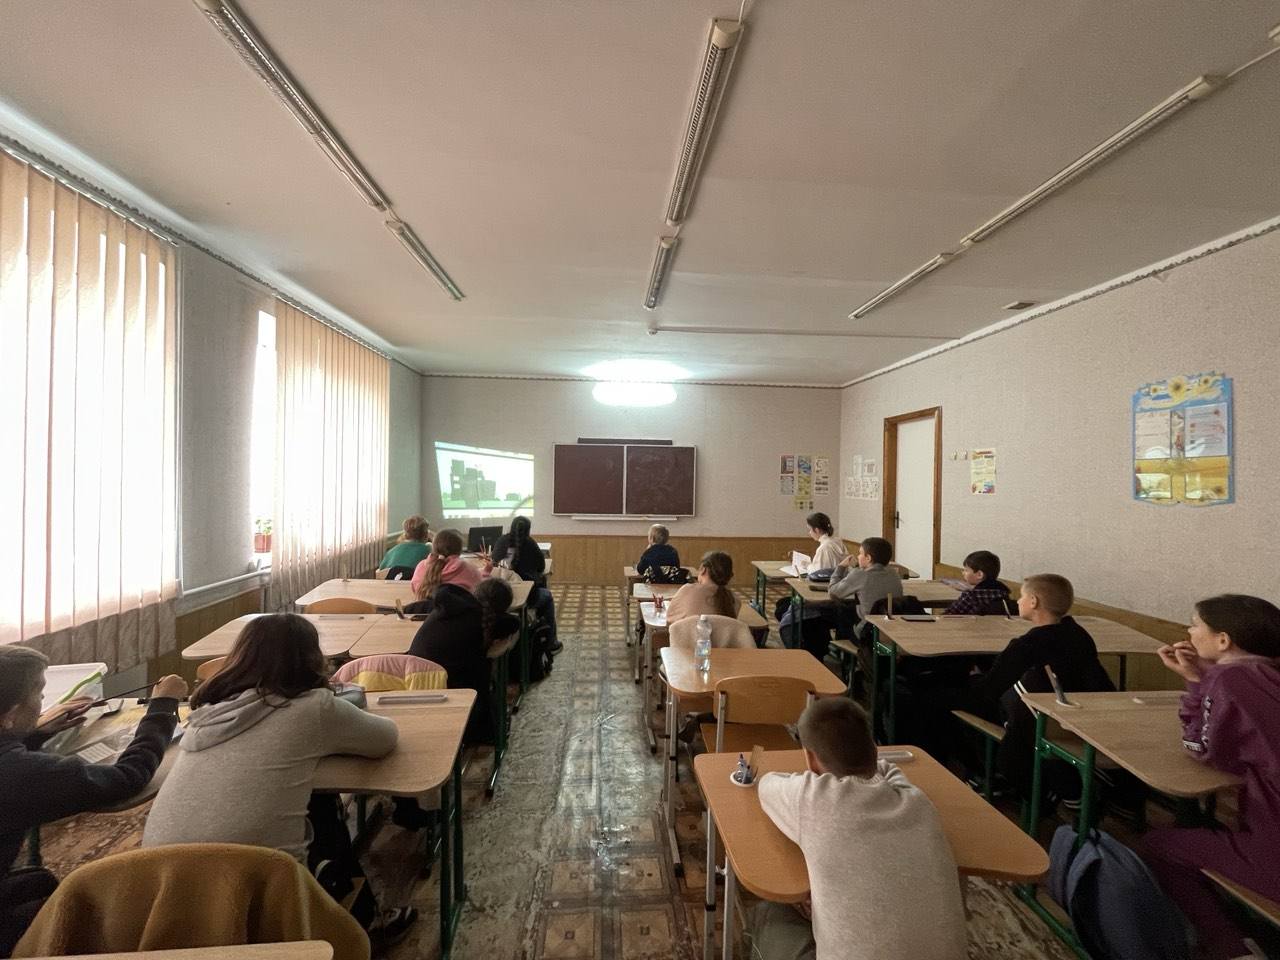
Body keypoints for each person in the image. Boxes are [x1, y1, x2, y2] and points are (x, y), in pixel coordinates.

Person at [141, 614, 414, 941]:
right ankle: (359, 923)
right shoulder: (312, 709)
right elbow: (385, 738)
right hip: (258, 887)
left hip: (161, 885)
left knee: (314, 802)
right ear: (312, 659)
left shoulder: (207, 712)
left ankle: (358, 912)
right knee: (322, 805)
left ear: (239, 657)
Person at [0, 648, 186, 957]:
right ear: (10, 714)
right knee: (103, 915)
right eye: (39, 693)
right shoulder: (24, 774)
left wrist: (33, 732)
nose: (43, 701)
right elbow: (128, 776)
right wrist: (163, 707)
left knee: (40, 884)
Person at [749, 698, 967, 960]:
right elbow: (890, 771)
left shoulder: (813, 798)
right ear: (875, 750)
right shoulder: (917, 801)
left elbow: (767, 784)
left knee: (771, 911)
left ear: (810, 759)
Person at [1141, 594, 1280, 960]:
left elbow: (1201, 748)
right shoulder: (1265, 674)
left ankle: (1232, 948)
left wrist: (1194, 680)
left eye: (1195, 625)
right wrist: (1207, 676)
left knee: (1159, 845)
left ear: (1223, 640)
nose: (1189, 632)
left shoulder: (1228, 678)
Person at [958, 574, 1113, 798]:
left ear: (1033, 601)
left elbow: (988, 691)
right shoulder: (1079, 635)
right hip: (1077, 718)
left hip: (1035, 722)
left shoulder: (1027, 645)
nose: (1018, 602)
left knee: (944, 701)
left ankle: (987, 774)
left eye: (1022, 597)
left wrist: (971, 679)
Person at [409, 578, 520, 744]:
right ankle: (488, 731)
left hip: (413, 683)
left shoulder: (448, 605)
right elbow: (514, 622)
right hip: (449, 691)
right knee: (483, 666)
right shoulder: (486, 620)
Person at [487, 516, 559, 653]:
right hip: (525, 598)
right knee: (547, 597)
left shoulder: (501, 541)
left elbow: (494, 562)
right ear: (528, 530)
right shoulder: (530, 543)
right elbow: (541, 566)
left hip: (500, 597)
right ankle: (550, 642)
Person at [828, 536, 904, 625]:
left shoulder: (859, 574)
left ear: (868, 558)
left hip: (868, 627)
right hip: (892, 625)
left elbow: (833, 593)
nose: (858, 556)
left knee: (835, 611)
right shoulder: (893, 573)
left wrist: (840, 567)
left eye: (860, 553)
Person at [663, 551, 740, 624]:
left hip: (689, 634)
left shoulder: (688, 590)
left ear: (703, 569)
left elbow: (670, 617)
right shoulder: (735, 601)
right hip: (720, 634)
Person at [410, 527, 484, 600]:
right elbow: (478, 591)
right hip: (459, 608)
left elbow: (415, 589)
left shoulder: (421, 567)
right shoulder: (470, 570)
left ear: (434, 546)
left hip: (425, 607)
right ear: (460, 549)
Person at [944, 550, 1013, 616]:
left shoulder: (970, 596)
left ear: (979, 575)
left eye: (966, 570)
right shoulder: (1004, 593)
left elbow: (947, 614)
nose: (963, 573)